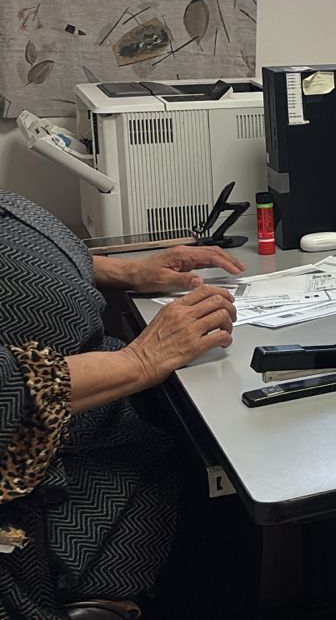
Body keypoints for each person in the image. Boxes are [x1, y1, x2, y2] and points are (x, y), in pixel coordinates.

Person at [0, 189, 241, 619]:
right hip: (55, 467)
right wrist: (139, 360)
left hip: (102, 400)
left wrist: (128, 270)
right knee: (223, 468)